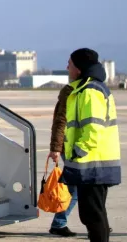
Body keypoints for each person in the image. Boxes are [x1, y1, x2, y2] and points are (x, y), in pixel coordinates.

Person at [61, 48, 120, 242]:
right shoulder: (85, 89)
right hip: (92, 163)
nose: (67, 67)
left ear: (79, 68)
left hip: (93, 164)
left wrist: (78, 151)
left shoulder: (90, 91)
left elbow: (94, 128)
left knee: (93, 215)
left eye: (70, 63)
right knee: (92, 214)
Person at [47, 82, 79, 236]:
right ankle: (59, 223)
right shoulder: (71, 91)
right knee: (78, 187)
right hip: (72, 148)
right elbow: (60, 121)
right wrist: (56, 148)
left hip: (80, 147)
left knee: (83, 187)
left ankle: (59, 223)